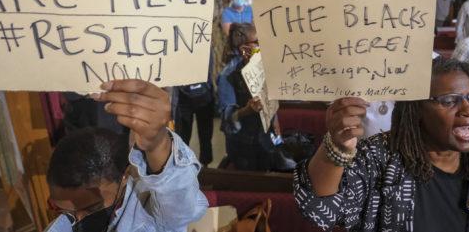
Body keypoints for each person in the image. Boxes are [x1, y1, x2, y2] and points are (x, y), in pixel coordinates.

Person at [294, 58, 469, 232]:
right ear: (417, 109)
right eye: (450, 101)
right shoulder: (379, 158)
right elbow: (320, 210)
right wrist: (337, 147)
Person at [45, 79, 208, 232]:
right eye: (61, 210)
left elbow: (180, 206)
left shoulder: (150, 214)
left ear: (125, 178)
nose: (78, 220)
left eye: (92, 209)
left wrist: (158, 142)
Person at [217, 23, 296, 171]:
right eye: (258, 43)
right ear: (244, 49)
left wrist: (275, 121)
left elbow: (270, 99)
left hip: (266, 139)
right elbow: (227, 119)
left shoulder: (264, 66)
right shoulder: (227, 76)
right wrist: (247, 110)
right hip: (243, 146)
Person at [172, 56, 215, 167]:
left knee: (205, 134)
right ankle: (182, 165)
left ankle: (205, 166)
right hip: (183, 96)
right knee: (182, 136)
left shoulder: (205, 42)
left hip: (204, 95)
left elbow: (209, 67)